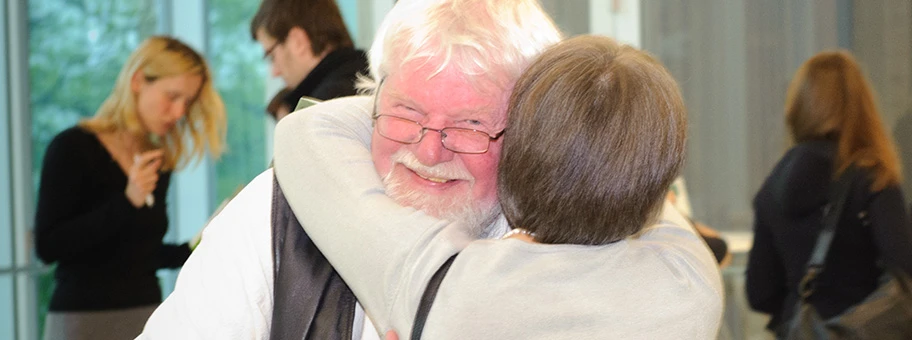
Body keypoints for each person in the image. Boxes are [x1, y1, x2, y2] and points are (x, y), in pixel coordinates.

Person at [139, 1, 562, 339]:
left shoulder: (569, 252)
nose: (430, 151)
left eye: (470, 124)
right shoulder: (275, 217)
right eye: (406, 113)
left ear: (530, 131)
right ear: (373, 101)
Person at [273, 34, 724, 339]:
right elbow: (645, 190)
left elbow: (307, 132)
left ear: (514, 153)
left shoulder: (442, 288)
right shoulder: (690, 293)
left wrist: (428, 109)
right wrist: (616, 145)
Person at [34, 36, 226, 340]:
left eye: (186, 103)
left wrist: (198, 244)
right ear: (137, 81)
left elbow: (139, 254)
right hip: (83, 321)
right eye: (172, 96)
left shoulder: (157, 161)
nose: (178, 113)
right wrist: (126, 202)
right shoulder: (72, 147)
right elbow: (48, 246)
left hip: (147, 318)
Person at [746, 50, 912, 337]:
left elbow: (760, 293)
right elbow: (905, 271)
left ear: (799, 107)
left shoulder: (771, 187)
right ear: (863, 108)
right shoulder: (873, 177)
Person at [250, 0, 367, 109]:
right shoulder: (374, 83)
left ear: (297, 41)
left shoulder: (319, 110)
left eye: (272, 56)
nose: (274, 73)